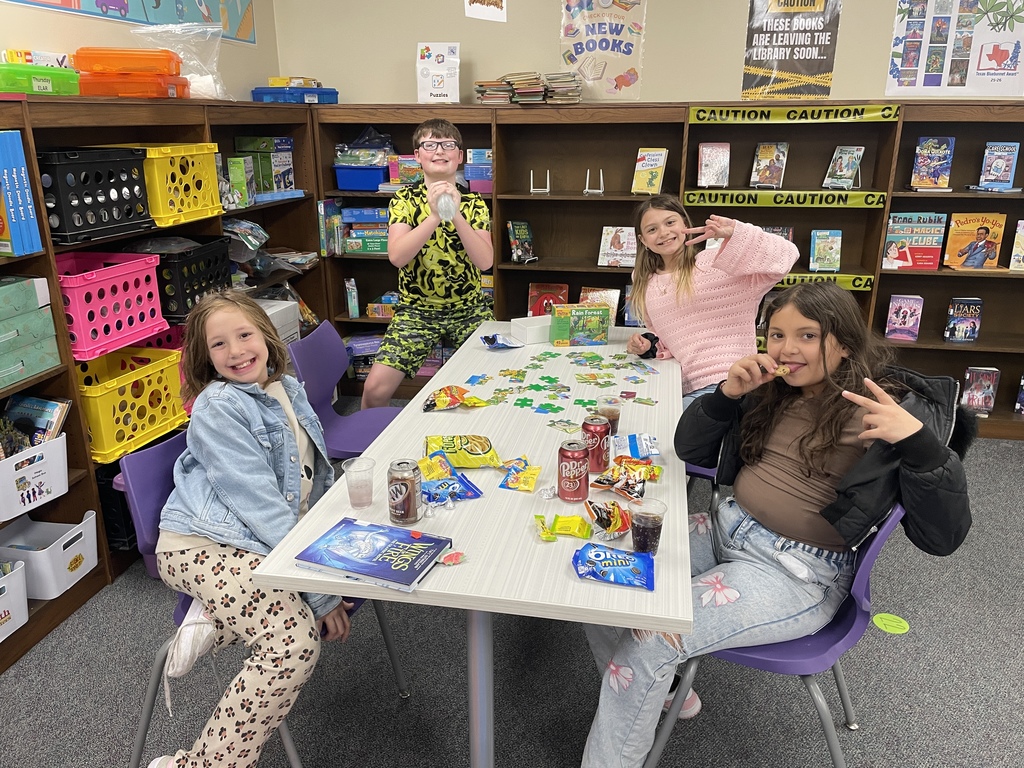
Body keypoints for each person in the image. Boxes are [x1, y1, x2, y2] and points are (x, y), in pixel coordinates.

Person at [582, 282, 973, 768]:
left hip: (795, 572)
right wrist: (726, 396)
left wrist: (920, 446)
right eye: (777, 334)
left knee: (650, 644)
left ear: (844, 342)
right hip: (726, 528)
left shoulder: (890, 409)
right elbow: (691, 452)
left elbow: (944, 538)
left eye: (808, 336)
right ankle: (667, 693)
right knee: (598, 581)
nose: (788, 349)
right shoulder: (773, 389)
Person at [149, 291, 352, 768]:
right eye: (219, 345)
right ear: (205, 358)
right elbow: (262, 507)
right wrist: (318, 592)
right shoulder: (218, 406)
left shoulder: (287, 388)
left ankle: (213, 620)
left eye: (244, 335)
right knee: (294, 643)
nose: (236, 351)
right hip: (199, 546)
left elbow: (309, 481)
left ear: (266, 333)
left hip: (251, 544)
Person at [361, 118, 494, 408]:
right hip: (416, 311)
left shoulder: (475, 204)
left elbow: (485, 262)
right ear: (417, 155)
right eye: (430, 144)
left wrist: (455, 213)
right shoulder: (404, 200)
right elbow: (397, 256)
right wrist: (434, 215)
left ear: (459, 156)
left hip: (469, 309)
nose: (439, 151)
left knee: (494, 382)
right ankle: (369, 448)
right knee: (374, 390)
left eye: (448, 144)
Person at [624, 194, 799, 408]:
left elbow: (787, 255)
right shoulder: (645, 280)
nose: (664, 232)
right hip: (684, 386)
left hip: (736, 383)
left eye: (670, 222)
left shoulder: (716, 260)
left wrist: (737, 231)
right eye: (652, 229)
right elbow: (673, 336)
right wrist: (648, 345)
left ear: (685, 224)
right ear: (643, 240)